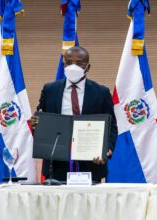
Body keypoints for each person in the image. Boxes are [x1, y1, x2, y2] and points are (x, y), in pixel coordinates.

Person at [31, 46, 118, 183]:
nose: (74, 66)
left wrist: (107, 149)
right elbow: (40, 119)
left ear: (87, 67)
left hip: (92, 162)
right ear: (63, 64)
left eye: (79, 63)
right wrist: (36, 124)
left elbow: (111, 125)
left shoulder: (101, 92)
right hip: (56, 163)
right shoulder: (49, 90)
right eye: (69, 62)